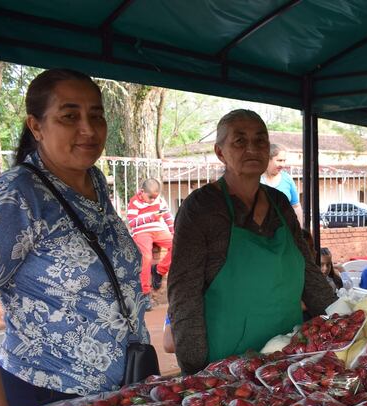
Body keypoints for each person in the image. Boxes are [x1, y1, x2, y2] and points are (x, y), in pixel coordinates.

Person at [0, 69, 148, 406]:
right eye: (69, 116)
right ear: (36, 125)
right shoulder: (15, 197)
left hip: (120, 393)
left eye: (97, 115)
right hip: (47, 399)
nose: (88, 129)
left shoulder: (96, 183)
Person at [167, 110, 336, 373]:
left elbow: (308, 272)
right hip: (228, 363)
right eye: (239, 141)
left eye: (260, 141)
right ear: (220, 152)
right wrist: (195, 368)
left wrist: (340, 323)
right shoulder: (201, 207)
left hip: (287, 355)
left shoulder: (279, 203)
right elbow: (184, 291)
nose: (252, 148)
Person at [126, 178, 174, 303]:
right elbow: (132, 222)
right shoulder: (134, 202)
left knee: (180, 244)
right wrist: (152, 217)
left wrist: (175, 233)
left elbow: (168, 217)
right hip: (142, 232)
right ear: (142, 192)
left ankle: (159, 270)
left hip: (159, 231)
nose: (153, 200)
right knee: (146, 257)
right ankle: (145, 293)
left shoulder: (160, 201)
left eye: (155, 197)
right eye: (150, 197)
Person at [261, 143, 303, 224]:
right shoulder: (255, 180)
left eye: (284, 161)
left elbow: (296, 206)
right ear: (267, 159)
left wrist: (300, 231)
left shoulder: (287, 179)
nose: (283, 165)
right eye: (279, 160)